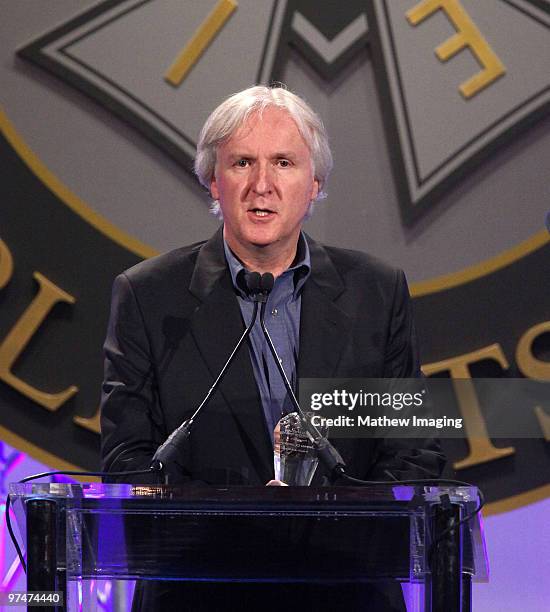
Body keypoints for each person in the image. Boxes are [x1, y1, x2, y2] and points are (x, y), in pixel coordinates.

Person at [100, 85, 444, 611]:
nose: (262, 185)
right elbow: (129, 463)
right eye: (242, 162)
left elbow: (414, 457)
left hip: (346, 592)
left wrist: (321, 519)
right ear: (213, 181)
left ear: (315, 183)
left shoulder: (377, 292)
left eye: (284, 162)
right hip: (200, 594)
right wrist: (246, 523)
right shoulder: (149, 296)